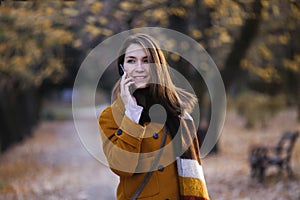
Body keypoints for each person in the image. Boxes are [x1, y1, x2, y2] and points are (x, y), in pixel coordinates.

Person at [98, 33, 210, 200]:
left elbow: (193, 173)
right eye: (131, 61)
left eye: (146, 60)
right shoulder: (111, 117)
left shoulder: (178, 112)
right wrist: (132, 114)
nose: (139, 68)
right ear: (122, 67)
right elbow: (122, 167)